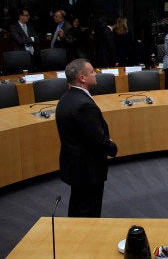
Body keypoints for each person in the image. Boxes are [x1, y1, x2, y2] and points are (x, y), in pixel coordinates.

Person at [56, 58, 118, 217]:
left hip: (75, 165)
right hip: (87, 169)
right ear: (82, 78)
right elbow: (97, 138)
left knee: (78, 206)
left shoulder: (66, 97)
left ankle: (74, 238)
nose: (95, 74)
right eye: (91, 71)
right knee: (89, 211)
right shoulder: (83, 105)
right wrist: (112, 146)